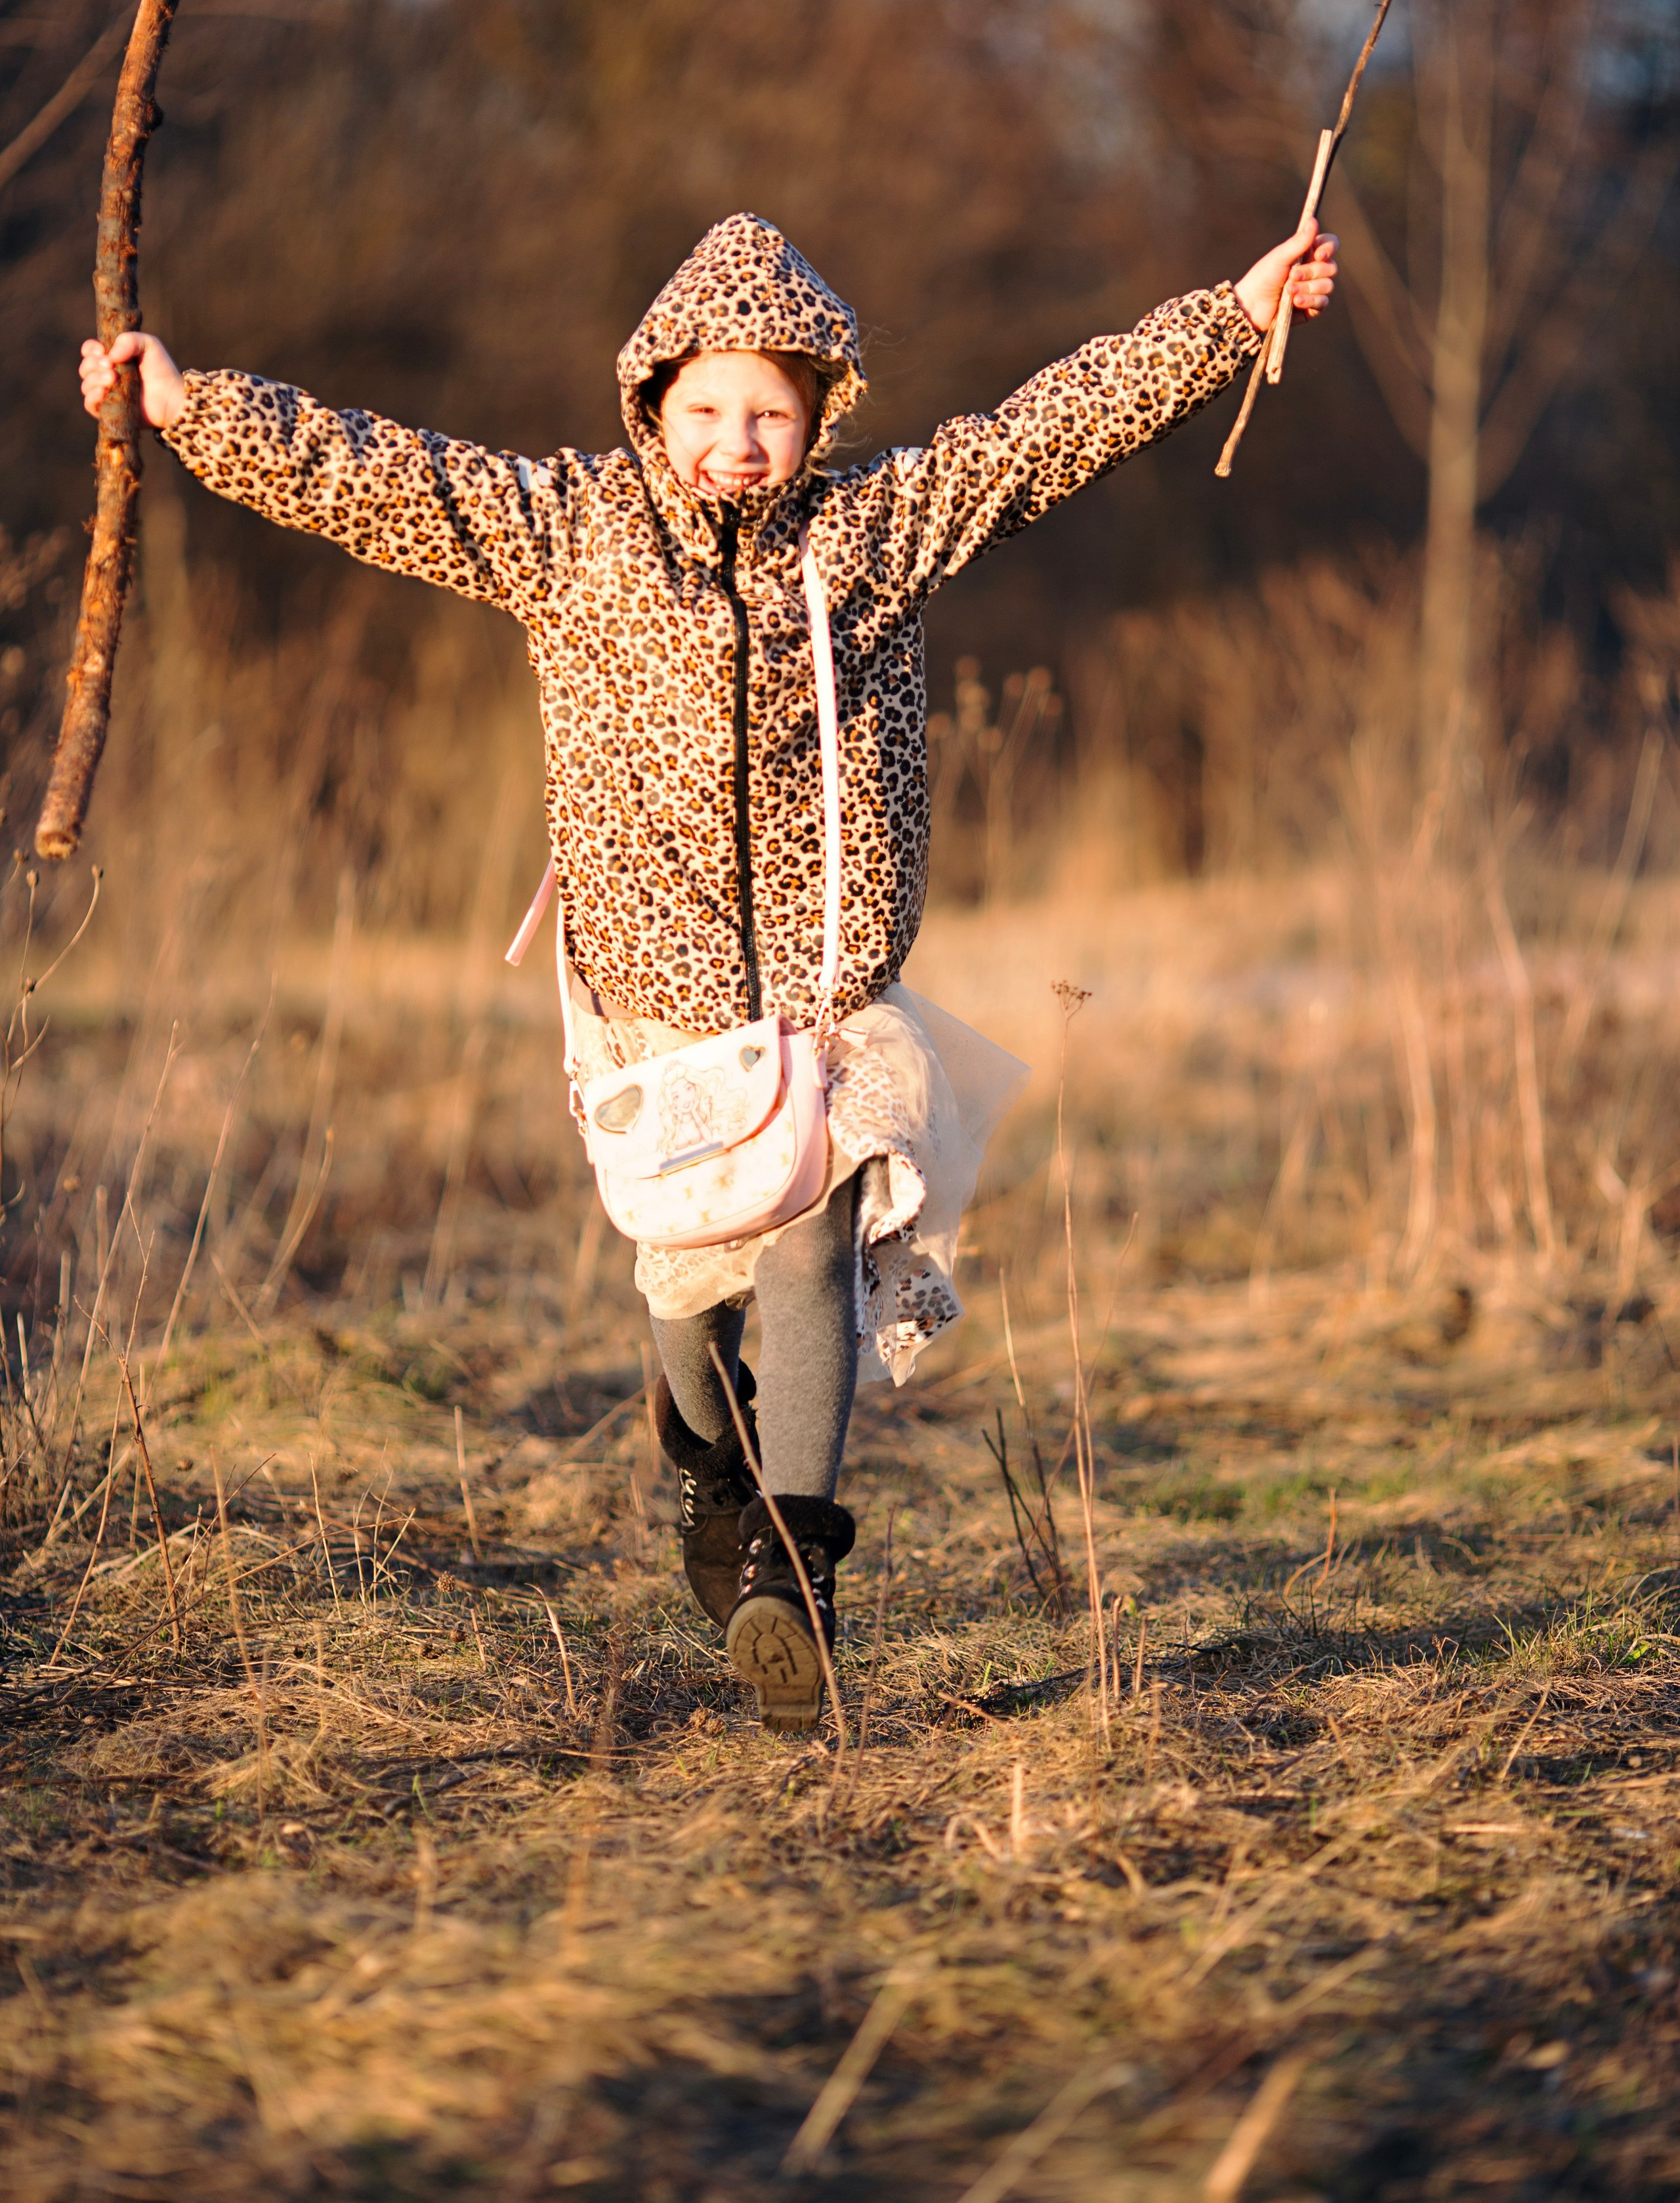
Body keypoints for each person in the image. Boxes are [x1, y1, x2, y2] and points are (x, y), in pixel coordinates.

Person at [80, 206, 1337, 1731]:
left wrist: (1230, 315)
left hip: (823, 998)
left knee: (809, 1238)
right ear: (651, 404)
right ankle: (699, 1453)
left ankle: (790, 1574)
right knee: (686, 1286)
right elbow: (382, 475)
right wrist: (189, 407)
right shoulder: (570, 531)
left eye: (771, 415)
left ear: (819, 417)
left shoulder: (876, 533)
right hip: (650, 1008)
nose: (737, 445)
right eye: (706, 411)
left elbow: (1046, 430)